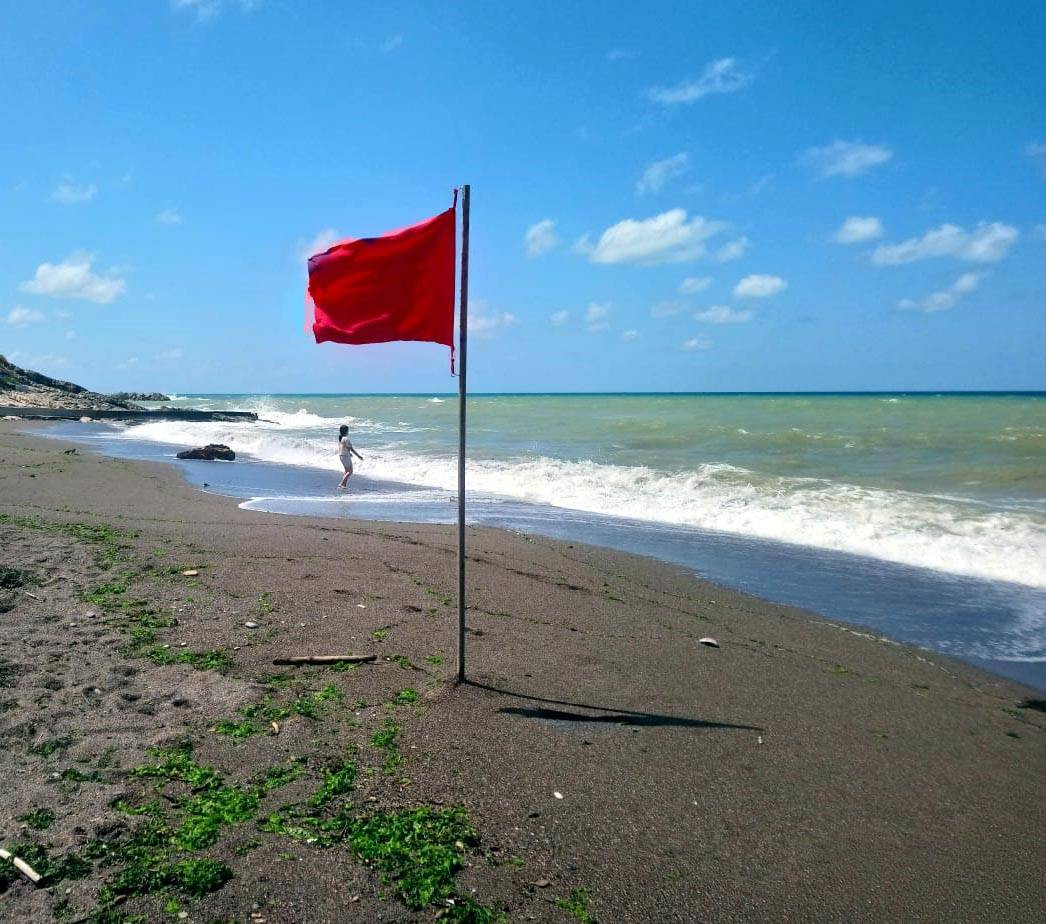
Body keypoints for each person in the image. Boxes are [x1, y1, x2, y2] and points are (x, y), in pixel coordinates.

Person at [336, 424, 364, 490]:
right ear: (346, 431)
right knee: (350, 471)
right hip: (345, 456)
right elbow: (351, 448)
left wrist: (349, 453)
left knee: (346, 471)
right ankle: (341, 484)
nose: (348, 432)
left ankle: (344, 485)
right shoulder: (346, 439)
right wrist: (358, 456)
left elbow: (344, 448)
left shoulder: (341, 439)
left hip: (341, 455)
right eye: (348, 430)